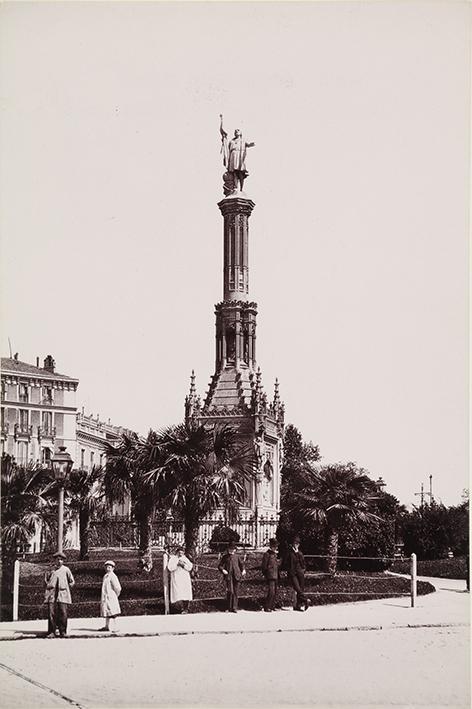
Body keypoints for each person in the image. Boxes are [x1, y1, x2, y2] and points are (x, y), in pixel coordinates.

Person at [219, 115, 255, 193]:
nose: (236, 131)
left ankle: (241, 189)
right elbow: (227, 149)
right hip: (233, 157)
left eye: (238, 130)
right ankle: (235, 187)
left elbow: (248, 144)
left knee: (240, 173)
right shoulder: (231, 141)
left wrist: (251, 144)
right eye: (235, 131)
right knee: (235, 172)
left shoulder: (243, 140)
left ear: (241, 133)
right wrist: (224, 139)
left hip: (240, 157)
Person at [44, 551, 75, 638]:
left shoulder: (66, 570)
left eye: (61, 560)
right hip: (52, 594)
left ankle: (63, 631)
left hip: (62, 594)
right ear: (54, 560)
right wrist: (49, 586)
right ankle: (51, 631)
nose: (59, 561)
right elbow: (45, 580)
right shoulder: (50, 570)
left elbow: (72, 581)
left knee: (63, 612)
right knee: (51, 613)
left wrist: (66, 586)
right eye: (57, 559)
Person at [218, 541, 246, 613]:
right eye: (230, 549)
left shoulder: (237, 556)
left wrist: (243, 570)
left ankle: (234, 607)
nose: (231, 550)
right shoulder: (225, 557)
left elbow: (241, 564)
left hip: (237, 575)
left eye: (233, 549)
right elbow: (220, 566)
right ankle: (229, 607)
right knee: (230, 591)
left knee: (236, 592)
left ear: (235, 550)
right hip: (229, 576)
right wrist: (223, 570)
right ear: (228, 549)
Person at [166, 546, 193, 614]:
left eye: (182, 552)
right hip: (177, 578)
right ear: (177, 552)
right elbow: (170, 568)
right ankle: (178, 608)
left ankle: (185, 609)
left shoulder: (185, 559)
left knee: (185, 593)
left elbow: (190, 567)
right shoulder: (173, 559)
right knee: (177, 593)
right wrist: (177, 564)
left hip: (184, 579)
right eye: (179, 552)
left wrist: (183, 565)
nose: (180, 554)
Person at [287, 535, 309, 611]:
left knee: (301, 589)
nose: (296, 545)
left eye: (298, 543)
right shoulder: (289, 552)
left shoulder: (300, 553)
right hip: (293, 573)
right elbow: (286, 563)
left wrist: (303, 570)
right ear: (292, 544)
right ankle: (306, 600)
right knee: (297, 588)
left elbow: (303, 563)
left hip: (300, 573)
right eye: (295, 543)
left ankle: (298, 605)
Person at [99, 560, 122, 632]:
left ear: (112, 568)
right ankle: (107, 626)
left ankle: (115, 627)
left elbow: (118, 587)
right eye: (106, 567)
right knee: (107, 612)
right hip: (106, 596)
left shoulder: (113, 576)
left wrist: (116, 595)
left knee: (113, 613)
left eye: (109, 567)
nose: (107, 569)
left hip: (111, 597)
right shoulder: (105, 576)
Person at [261, 538, 280, 612]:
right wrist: (266, 574)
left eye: (276, 547)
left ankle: (272, 606)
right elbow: (264, 566)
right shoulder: (267, 554)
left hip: (275, 575)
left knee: (275, 591)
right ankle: (267, 606)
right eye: (274, 546)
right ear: (271, 546)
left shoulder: (274, 554)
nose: (275, 548)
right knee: (271, 591)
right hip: (270, 575)